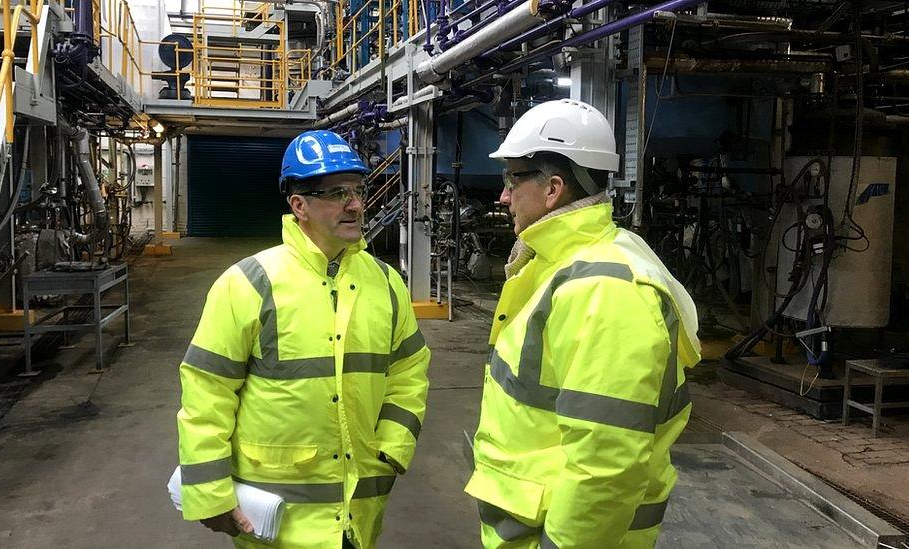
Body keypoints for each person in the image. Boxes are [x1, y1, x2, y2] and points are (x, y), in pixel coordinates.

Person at [176, 130, 431, 548]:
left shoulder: (386, 283)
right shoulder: (248, 285)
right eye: (335, 193)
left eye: (356, 189)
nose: (354, 204)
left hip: (358, 514)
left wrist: (393, 446)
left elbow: (409, 369)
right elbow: (207, 393)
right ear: (299, 206)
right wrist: (209, 493)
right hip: (275, 523)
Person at [465, 99, 701, 548]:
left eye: (512, 180)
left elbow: (606, 465)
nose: (503, 196)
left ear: (553, 189)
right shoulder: (561, 265)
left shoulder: (604, 289)